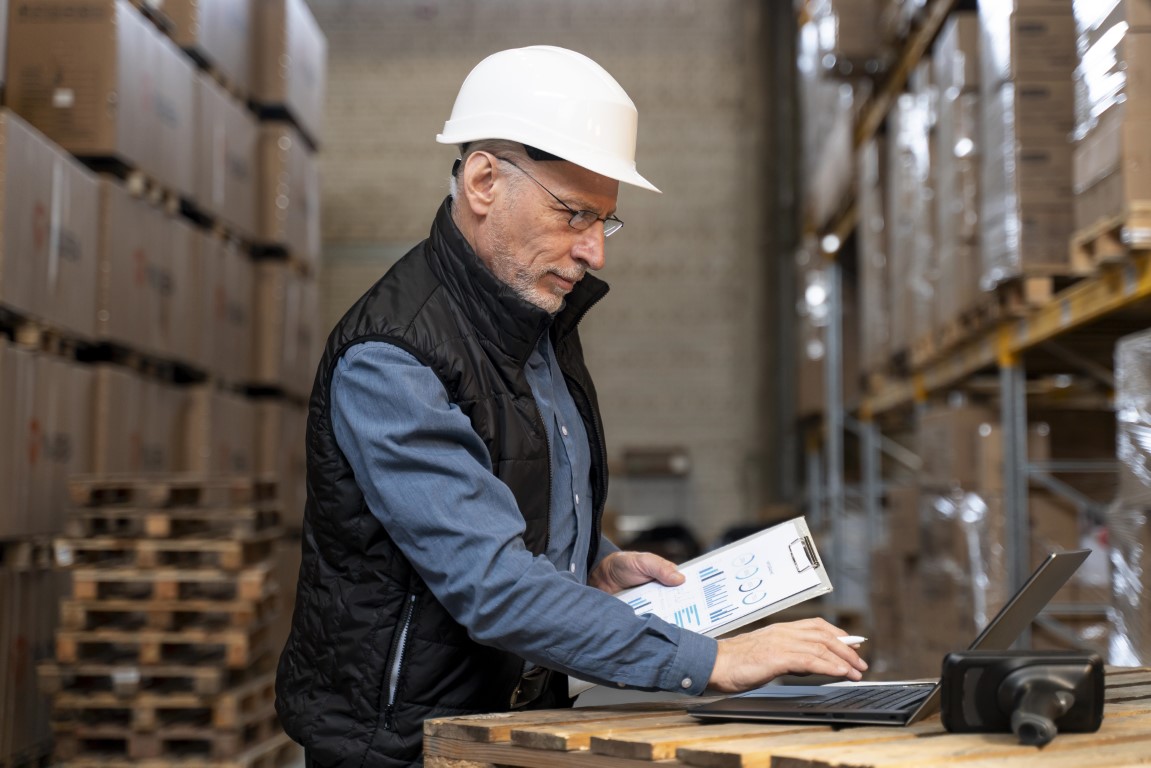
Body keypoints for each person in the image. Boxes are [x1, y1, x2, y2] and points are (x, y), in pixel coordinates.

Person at [274, 46, 867, 767]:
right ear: (485, 180)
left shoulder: (536, 319)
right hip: (402, 745)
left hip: (511, 721)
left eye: (604, 222)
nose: (594, 252)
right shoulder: (393, 357)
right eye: (574, 214)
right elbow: (488, 583)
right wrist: (711, 660)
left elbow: (508, 489)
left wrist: (589, 558)